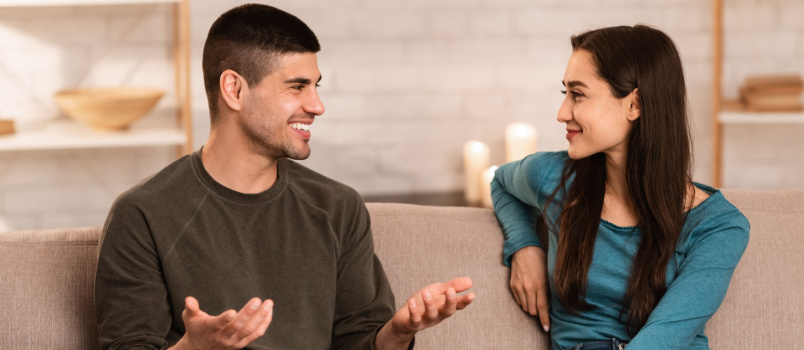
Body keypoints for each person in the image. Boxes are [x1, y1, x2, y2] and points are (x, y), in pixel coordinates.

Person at [94, 4, 474, 350]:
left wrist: (397, 332)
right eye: (297, 87)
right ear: (235, 89)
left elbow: (358, 341)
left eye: (315, 86)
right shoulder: (144, 213)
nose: (317, 105)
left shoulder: (338, 206)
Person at [491, 25, 749, 350]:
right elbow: (501, 183)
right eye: (564, 94)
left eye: (578, 94)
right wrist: (525, 245)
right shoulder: (554, 178)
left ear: (634, 105)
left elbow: (666, 337)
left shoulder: (718, 226)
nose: (562, 113)